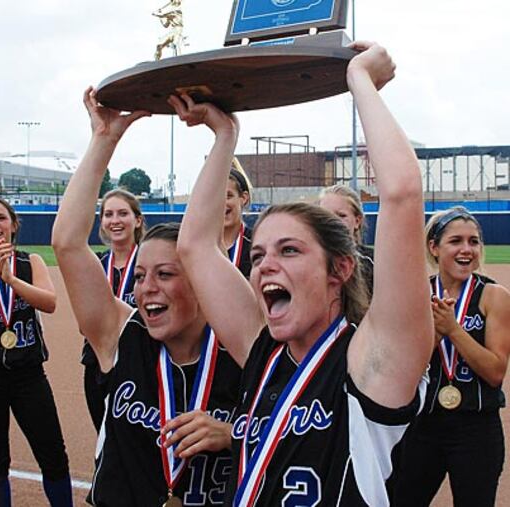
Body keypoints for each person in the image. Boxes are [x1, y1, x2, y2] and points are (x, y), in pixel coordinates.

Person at [175, 41, 433, 506]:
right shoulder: (264, 352)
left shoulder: (373, 366)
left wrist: (359, 81)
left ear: (340, 268)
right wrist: (225, 138)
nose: (266, 263)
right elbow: (194, 247)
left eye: (289, 250)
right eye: (257, 256)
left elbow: (402, 193)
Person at [52, 89, 242, 506]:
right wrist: (104, 138)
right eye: (139, 276)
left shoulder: (243, 348)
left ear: (201, 281)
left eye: (165, 274)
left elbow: (292, 429)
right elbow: (67, 243)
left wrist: (230, 434)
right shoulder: (123, 336)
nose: (146, 288)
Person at [0, 197, 72, 506]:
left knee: (53, 456)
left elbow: (49, 301)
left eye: (1, 218)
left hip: (28, 375)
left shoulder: (31, 261)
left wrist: (11, 278)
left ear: (13, 225)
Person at [392, 207, 509, 506]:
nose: (466, 249)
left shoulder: (494, 296)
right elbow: (402, 371)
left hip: (476, 427)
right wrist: (435, 335)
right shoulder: (417, 295)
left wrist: (453, 329)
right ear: (434, 246)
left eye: (473, 241)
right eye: (456, 241)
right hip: (421, 425)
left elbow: (495, 372)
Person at [83, 188, 144, 431]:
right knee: (104, 437)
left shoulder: (151, 263)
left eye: (122, 213)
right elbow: (83, 321)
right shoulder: (94, 266)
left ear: (137, 220)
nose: (115, 220)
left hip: (142, 361)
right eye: (108, 215)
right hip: (97, 362)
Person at [319, 184, 374, 294]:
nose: (332, 221)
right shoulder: (307, 260)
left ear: (357, 221)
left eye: (341, 215)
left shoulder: (373, 262)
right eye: (325, 215)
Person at [224, 162, 253, 279]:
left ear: (244, 198)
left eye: (228, 196)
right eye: (215, 197)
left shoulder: (256, 244)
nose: (221, 203)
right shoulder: (200, 245)